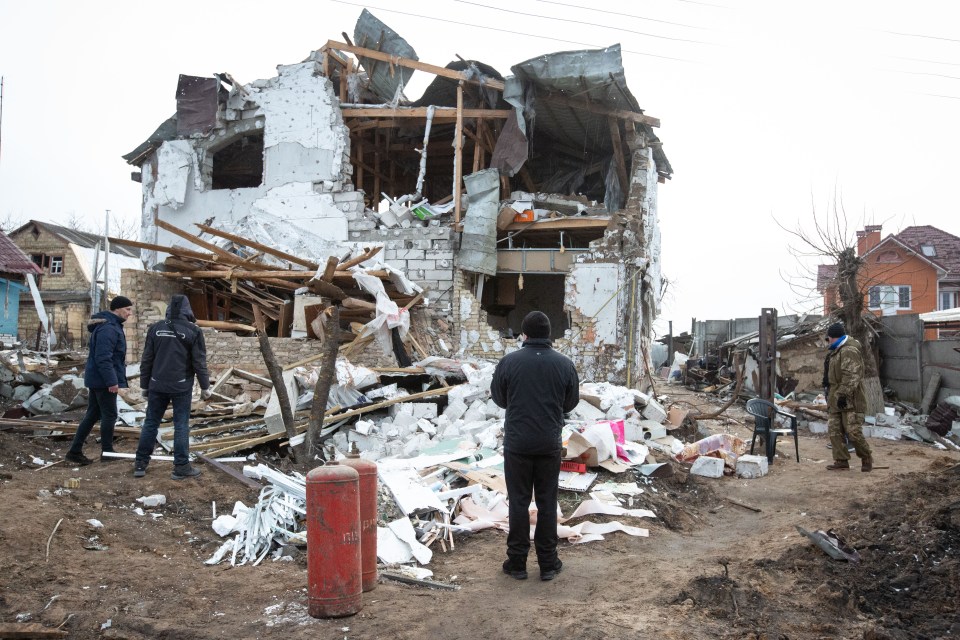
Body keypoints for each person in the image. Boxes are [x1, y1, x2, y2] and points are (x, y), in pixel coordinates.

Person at [492, 311, 579, 581]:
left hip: (517, 443)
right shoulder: (564, 364)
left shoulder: (509, 362)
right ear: (549, 334)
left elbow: (499, 398)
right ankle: (548, 564)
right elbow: (570, 403)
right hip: (548, 444)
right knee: (546, 502)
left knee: (518, 503)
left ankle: (516, 563)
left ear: (524, 334)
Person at [134, 295, 212, 480]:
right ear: (187, 310)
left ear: (169, 308)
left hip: (157, 385)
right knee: (181, 425)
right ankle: (181, 467)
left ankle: (140, 464)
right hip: (181, 386)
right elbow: (199, 362)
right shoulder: (193, 331)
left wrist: (144, 385)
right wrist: (205, 386)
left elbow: (147, 360)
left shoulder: (156, 329)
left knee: (151, 423)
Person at [65, 296, 133, 465]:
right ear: (117, 309)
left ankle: (75, 451)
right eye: (127, 309)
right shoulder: (108, 328)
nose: (130, 313)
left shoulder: (111, 325)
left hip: (98, 378)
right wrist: (112, 382)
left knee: (93, 414)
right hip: (103, 380)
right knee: (109, 415)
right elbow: (104, 358)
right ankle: (108, 452)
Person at [823, 321, 873, 472]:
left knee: (852, 430)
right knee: (834, 429)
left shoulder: (848, 350)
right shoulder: (836, 351)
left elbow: (851, 375)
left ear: (834, 337)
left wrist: (843, 395)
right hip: (835, 397)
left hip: (850, 398)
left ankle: (866, 457)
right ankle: (841, 460)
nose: (828, 341)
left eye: (828, 338)